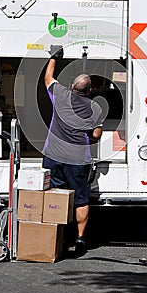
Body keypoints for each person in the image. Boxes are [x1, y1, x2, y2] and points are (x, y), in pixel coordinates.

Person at [42, 45, 103, 256]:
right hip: (77, 159)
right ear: (90, 91)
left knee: (55, 196)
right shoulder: (95, 108)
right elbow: (96, 135)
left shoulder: (60, 94)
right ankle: (79, 239)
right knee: (81, 199)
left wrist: (54, 57)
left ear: (71, 86)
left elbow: (48, 78)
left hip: (53, 156)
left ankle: (55, 237)